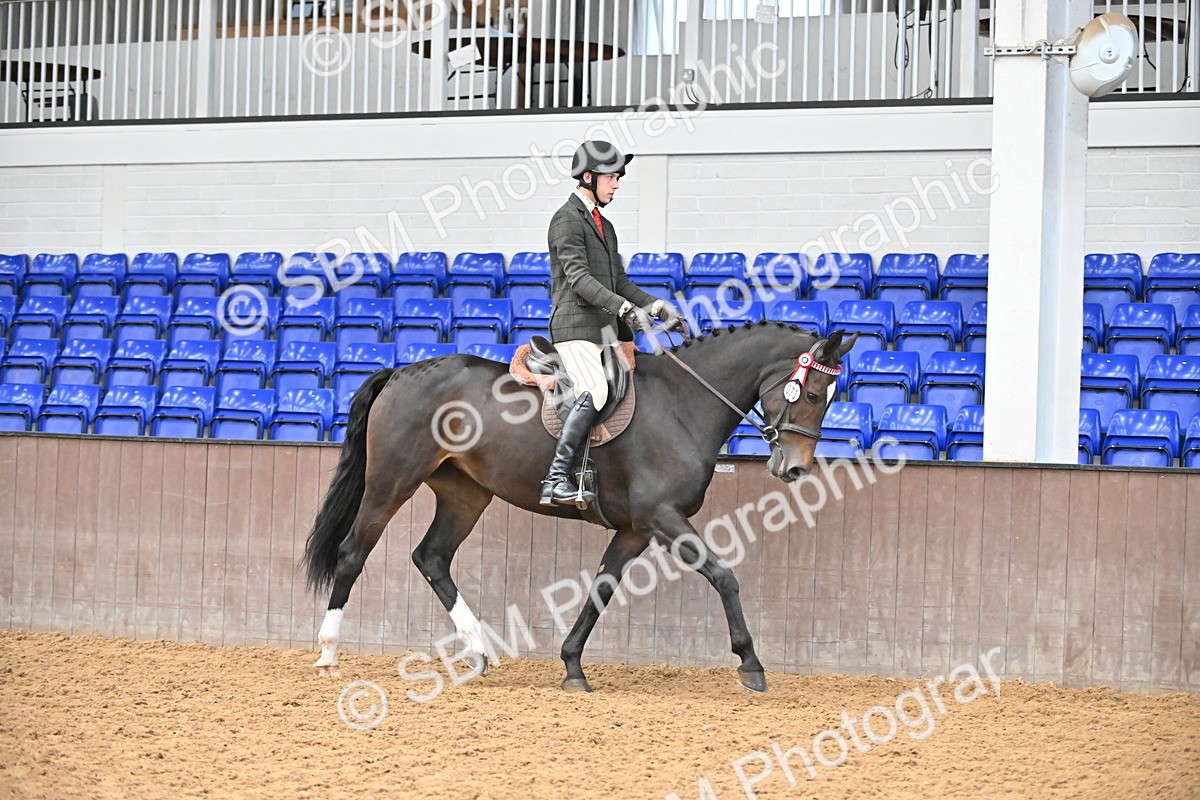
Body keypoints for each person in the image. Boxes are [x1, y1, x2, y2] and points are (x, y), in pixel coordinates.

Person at [540, 139, 689, 507]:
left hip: (603, 330)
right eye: (611, 177)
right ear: (588, 177)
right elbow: (580, 280)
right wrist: (625, 310)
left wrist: (656, 306)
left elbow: (616, 281)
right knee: (598, 389)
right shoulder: (565, 220)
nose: (617, 184)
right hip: (576, 328)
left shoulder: (604, 225)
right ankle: (556, 478)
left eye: (618, 178)